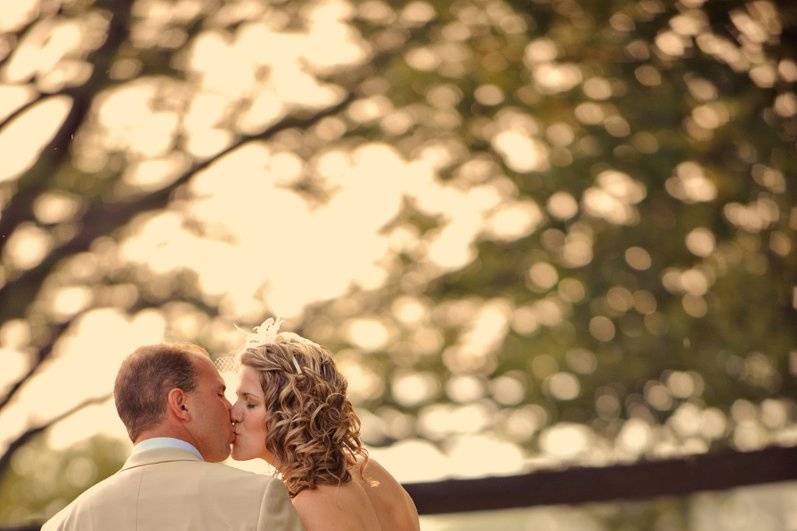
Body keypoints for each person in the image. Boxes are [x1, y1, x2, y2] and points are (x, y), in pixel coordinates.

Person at [42, 342, 303, 531]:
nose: (230, 408)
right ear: (181, 405)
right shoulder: (258, 498)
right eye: (220, 393)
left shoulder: (62, 524)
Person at [230, 318, 420, 531]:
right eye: (236, 398)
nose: (233, 412)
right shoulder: (373, 474)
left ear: (291, 412)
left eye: (250, 403)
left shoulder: (308, 506)